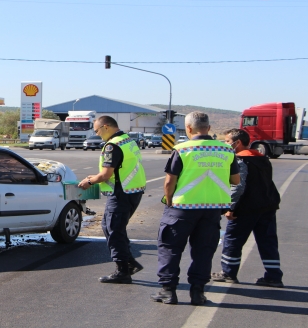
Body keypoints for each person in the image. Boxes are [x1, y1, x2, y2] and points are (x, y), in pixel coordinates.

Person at [151, 112, 240, 306]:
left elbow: (169, 181)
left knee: (170, 248)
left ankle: (168, 291)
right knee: (204, 251)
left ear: (189, 129)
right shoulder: (227, 150)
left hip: (182, 208)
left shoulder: (183, 149)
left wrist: (169, 200)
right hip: (212, 209)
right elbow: (235, 180)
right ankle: (198, 293)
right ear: (208, 128)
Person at [78, 116, 146, 284]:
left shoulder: (112, 146)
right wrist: (96, 176)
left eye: (97, 131)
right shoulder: (127, 140)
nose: (97, 134)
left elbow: (107, 174)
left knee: (113, 230)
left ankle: (123, 270)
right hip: (132, 190)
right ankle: (129, 262)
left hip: (120, 193)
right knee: (112, 228)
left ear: (106, 127)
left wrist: (89, 181)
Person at [211, 129, 283, 287]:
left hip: (247, 208)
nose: (226, 144)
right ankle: (274, 276)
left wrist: (229, 207)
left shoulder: (240, 160)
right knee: (268, 241)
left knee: (233, 239)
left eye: (228, 141)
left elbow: (238, 186)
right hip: (267, 206)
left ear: (238, 143)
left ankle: (228, 272)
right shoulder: (262, 158)